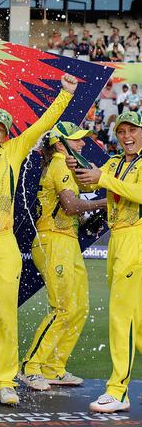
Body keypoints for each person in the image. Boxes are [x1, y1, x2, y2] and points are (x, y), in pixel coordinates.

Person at [0, 74, 78, 405]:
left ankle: (5, 380)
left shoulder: (11, 152)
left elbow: (41, 125)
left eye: (2, 129)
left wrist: (64, 96)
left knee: (4, 316)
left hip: (1, 245)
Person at [19, 121, 106, 391]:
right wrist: (106, 202)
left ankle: (54, 368)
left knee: (79, 308)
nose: (82, 144)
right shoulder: (59, 163)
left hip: (65, 240)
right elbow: (69, 206)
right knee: (65, 307)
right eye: (77, 140)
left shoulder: (62, 165)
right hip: (53, 240)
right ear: (61, 144)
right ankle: (30, 366)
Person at [72, 111, 142, 413]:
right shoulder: (114, 163)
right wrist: (77, 169)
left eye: (133, 130)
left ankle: (118, 390)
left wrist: (104, 179)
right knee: (138, 324)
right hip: (117, 240)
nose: (127, 136)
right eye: (122, 130)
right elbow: (91, 184)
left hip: (136, 240)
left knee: (120, 317)